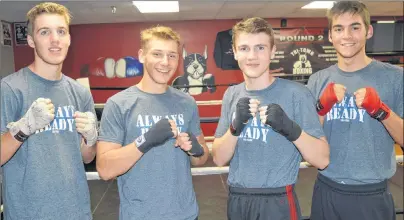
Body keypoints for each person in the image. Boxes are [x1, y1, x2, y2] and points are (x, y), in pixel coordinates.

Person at [212, 17, 330, 220]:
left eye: (260, 48)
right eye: (244, 48)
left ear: (272, 51)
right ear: (235, 51)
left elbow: (322, 160)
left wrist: (291, 129)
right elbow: (219, 158)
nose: (252, 56)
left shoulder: (297, 94)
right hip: (238, 199)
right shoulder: (232, 95)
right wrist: (234, 127)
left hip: (278, 200)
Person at [96, 25, 209, 220]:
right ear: (142, 55)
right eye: (157, 54)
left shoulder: (186, 102)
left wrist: (196, 150)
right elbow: (105, 169)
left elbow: (202, 158)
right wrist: (146, 140)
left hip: (186, 214)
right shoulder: (119, 104)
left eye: (172, 55)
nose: (165, 62)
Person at [307, 1, 404, 220]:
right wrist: (321, 108)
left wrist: (382, 112)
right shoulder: (317, 80)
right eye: (339, 28)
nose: (346, 36)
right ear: (330, 35)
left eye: (355, 27)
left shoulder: (395, 77)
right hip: (326, 190)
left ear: (368, 31)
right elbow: (309, 140)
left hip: (372, 194)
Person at [1, 2, 97, 220]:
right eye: (45, 32)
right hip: (28, 213)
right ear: (31, 41)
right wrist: (23, 128)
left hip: (76, 211)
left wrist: (91, 139)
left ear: (69, 38)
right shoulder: (10, 89)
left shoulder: (79, 92)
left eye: (61, 31)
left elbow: (87, 156)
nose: (55, 39)